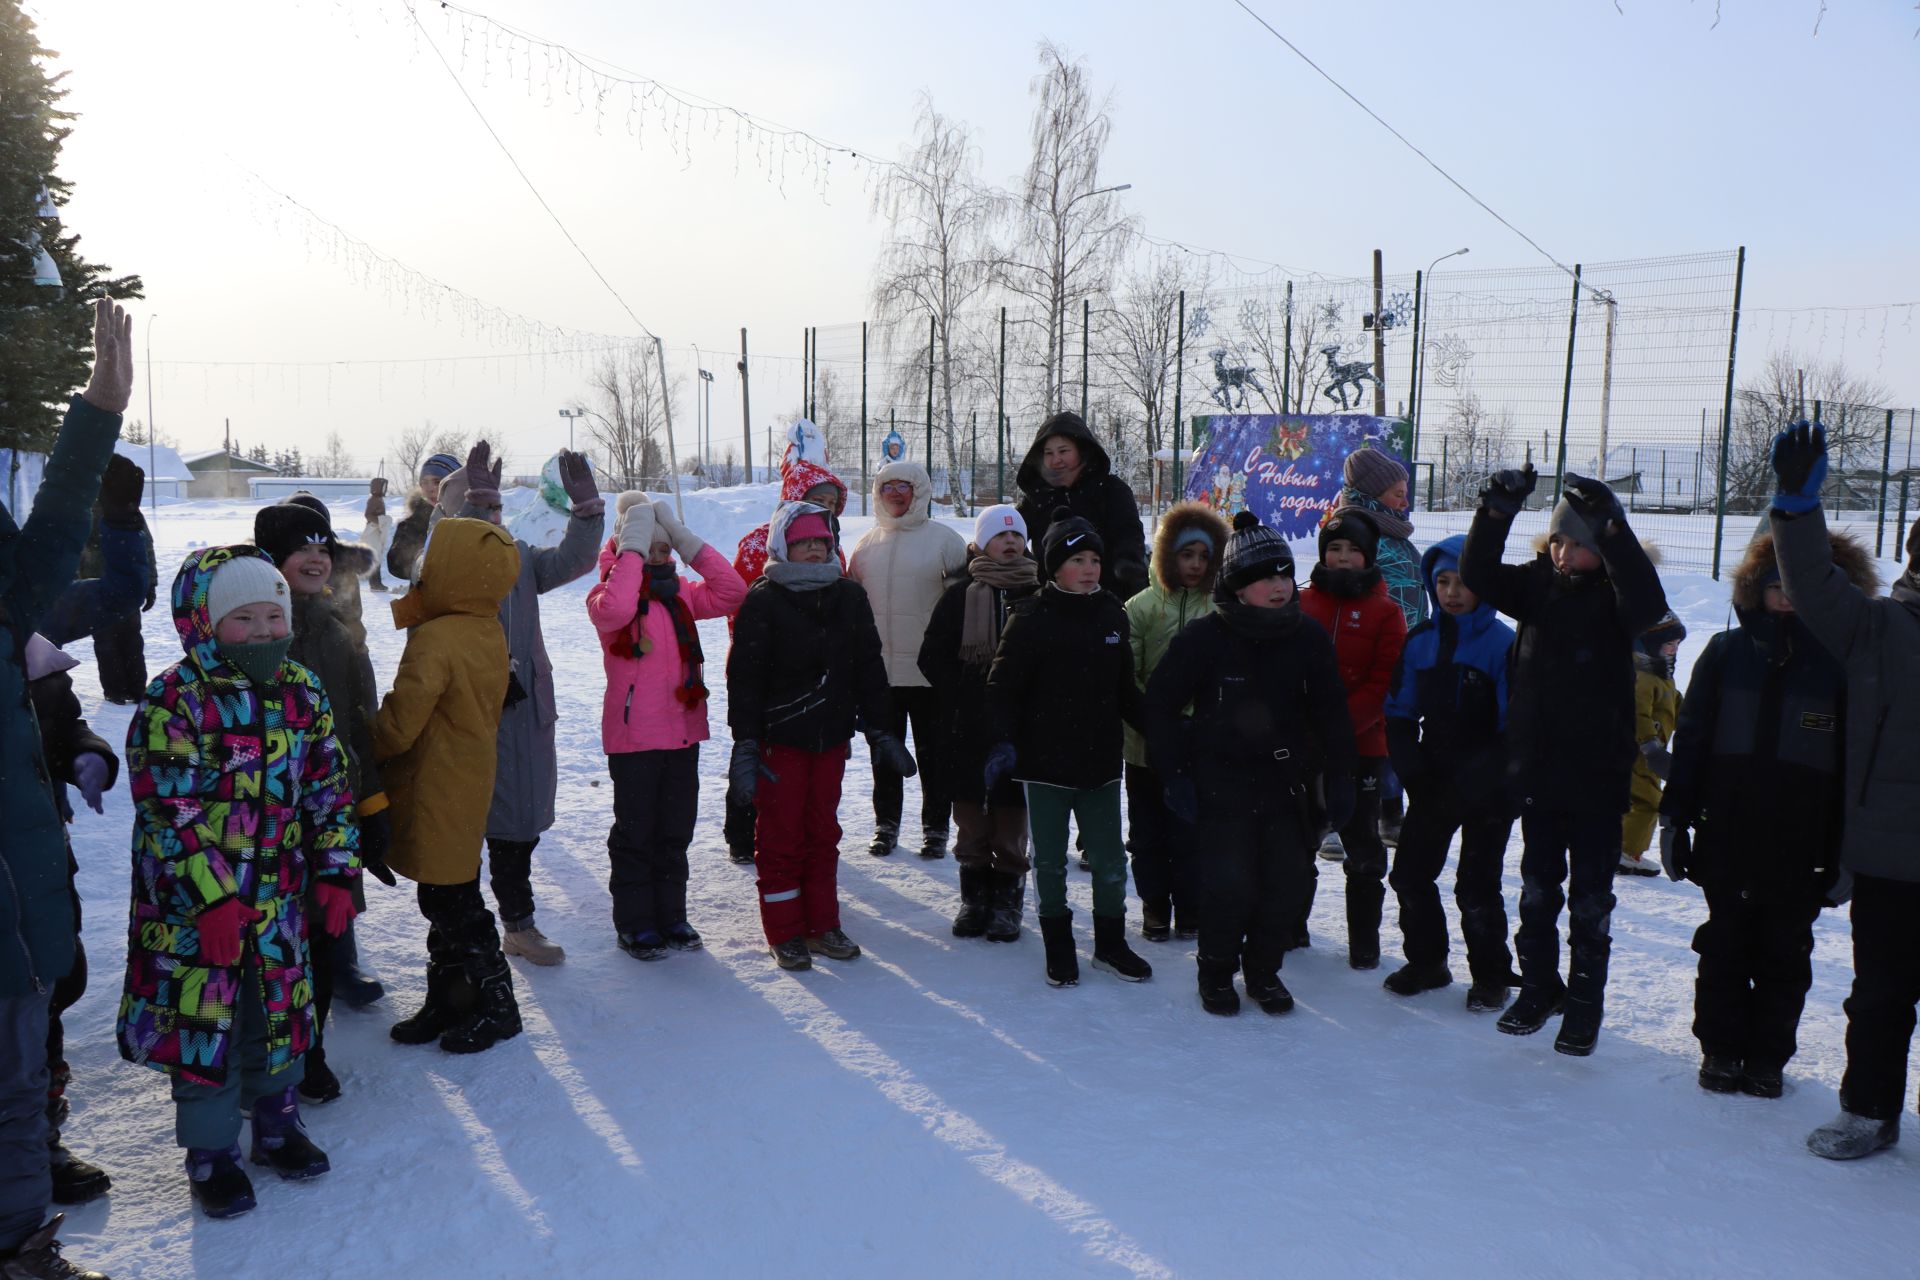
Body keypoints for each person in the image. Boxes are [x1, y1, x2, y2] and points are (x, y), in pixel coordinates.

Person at [119, 546, 363, 1220]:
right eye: (243, 618)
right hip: (197, 913)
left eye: (272, 615)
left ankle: (278, 1125)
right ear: (204, 622)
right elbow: (172, 808)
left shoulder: (301, 691)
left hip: (278, 902)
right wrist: (213, 898)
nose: (262, 631)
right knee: (207, 1028)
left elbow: (328, 791)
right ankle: (212, 1152)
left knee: (280, 1019)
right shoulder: (175, 698)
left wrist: (339, 870)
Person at [0, 297, 125, 1279]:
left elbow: (41, 562)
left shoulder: (16, 636)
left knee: (20, 1071)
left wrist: (97, 412)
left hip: (24, 893)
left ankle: (24, 1232)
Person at [1460, 467, 1666, 1056]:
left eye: (1579, 543)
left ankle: (1584, 1005)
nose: (1564, 551)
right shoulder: (1536, 585)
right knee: (1537, 892)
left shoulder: (1618, 598)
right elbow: (1477, 574)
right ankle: (1540, 989)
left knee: (1590, 901)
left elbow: (1649, 604)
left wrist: (1613, 530)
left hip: (1597, 777)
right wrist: (1495, 515)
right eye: (1558, 540)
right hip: (1539, 771)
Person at [1662, 523, 1870, 1102]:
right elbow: (1693, 741)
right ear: (1757, 588)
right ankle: (1721, 1049)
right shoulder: (1727, 654)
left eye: (1805, 586)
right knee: (1724, 946)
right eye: (1779, 585)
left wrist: (1847, 849)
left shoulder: (1841, 667)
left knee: (1785, 954)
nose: (1789, 597)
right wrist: (1675, 819)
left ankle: (1767, 1058)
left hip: (1803, 846)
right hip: (1728, 835)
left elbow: (1856, 767)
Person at [1766, 422, 1920, 1160]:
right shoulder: (1880, 629)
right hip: (1893, 853)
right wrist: (1796, 508)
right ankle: (1868, 1111)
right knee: (1882, 995)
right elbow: (1814, 586)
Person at [1145, 512, 1355, 1015]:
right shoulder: (1205, 638)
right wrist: (1173, 772)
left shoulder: (1306, 638)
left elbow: (1331, 711)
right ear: (1238, 588)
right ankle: (1216, 971)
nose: (1279, 586)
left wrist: (1343, 776)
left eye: (1284, 574)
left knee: (1284, 884)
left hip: (1287, 784)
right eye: (1264, 577)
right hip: (1221, 782)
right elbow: (1160, 704)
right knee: (1229, 885)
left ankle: (1263, 973)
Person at [253, 497, 397, 1103]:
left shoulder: (337, 632)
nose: (315, 557)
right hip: (265, 816)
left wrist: (371, 804)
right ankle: (268, 1053)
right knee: (273, 942)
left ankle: (308, 1049)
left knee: (322, 923)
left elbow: (358, 725)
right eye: (301, 548)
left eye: (322, 547)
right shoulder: (253, 627)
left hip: (330, 806)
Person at [440, 444, 605, 967]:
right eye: (477, 508)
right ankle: (464, 934)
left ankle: (519, 926)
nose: (491, 518)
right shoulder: (443, 558)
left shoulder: (519, 558)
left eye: (494, 508)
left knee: (518, 828)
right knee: (463, 829)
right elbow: (453, 556)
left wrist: (586, 513)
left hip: (523, 710)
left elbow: (575, 560)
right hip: (468, 711)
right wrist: (475, 504)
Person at [726, 502, 907, 970]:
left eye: (820, 541)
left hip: (830, 739)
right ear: (784, 545)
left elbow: (869, 666)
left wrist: (881, 728)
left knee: (823, 832)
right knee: (782, 834)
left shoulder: (849, 597)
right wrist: (745, 743)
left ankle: (823, 924)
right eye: (803, 541)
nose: (812, 549)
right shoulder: (763, 599)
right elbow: (744, 679)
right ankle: (785, 930)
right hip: (779, 741)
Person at [376, 516, 524, 1055]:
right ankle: (451, 996)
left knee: (451, 899)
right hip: (467, 779)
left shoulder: (437, 637)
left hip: (436, 783)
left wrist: (364, 745)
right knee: (445, 893)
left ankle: (497, 1004)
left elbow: (401, 721)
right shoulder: (488, 626)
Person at [984, 517, 1152, 988]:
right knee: (1051, 861)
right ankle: (1058, 944)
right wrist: (1002, 741)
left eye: (1095, 559)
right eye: (1077, 559)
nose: (1089, 568)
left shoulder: (1112, 613)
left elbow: (1125, 691)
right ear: (1055, 567)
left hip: (1100, 762)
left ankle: (1110, 944)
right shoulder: (1031, 616)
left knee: (1109, 858)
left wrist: (1162, 731)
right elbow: (1002, 688)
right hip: (1045, 766)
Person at [587, 493, 747, 960]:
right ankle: (636, 923)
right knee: (636, 833)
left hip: (682, 734)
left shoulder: (682, 596)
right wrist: (632, 547)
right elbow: (617, 609)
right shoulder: (605, 598)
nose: (658, 557)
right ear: (625, 551)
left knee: (675, 831)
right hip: (634, 740)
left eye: (663, 550)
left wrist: (683, 538)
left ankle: (671, 915)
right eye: (647, 549)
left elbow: (733, 591)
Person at [1382, 535, 1519, 1010]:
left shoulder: (1505, 645)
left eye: (1464, 582)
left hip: (1489, 787)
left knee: (1477, 885)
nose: (1452, 592)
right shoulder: (1421, 642)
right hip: (1434, 780)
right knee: (1410, 875)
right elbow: (1398, 715)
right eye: (1442, 581)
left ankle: (1490, 975)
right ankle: (1428, 962)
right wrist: (1413, 772)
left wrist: (1483, 781)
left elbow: (1513, 728)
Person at [23, 636, 117, 1209]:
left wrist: (88, 755)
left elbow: (65, 726)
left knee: (47, 995)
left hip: (37, 866)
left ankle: (39, 1141)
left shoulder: (27, 653)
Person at [919, 505, 1042, 941]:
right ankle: (974, 899)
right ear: (982, 543)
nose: (1009, 542)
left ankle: (1007, 901)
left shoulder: (1038, 597)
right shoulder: (960, 595)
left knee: (1011, 820)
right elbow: (931, 656)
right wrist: (966, 695)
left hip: (1021, 729)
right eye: (999, 536)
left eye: (1016, 536)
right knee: (970, 818)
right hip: (967, 728)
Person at [1297, 509, 1407, 967]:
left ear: (1369, 557)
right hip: (1305, 747)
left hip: (1363, 748)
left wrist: (1341, 726)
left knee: (1363, 847)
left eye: (1353, 551)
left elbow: (1385, 681)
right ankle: (1290, 928)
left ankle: (1364, 942)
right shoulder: (1301, 604)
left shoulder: (1387, 612)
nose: (1342, 558)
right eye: (1334, 549)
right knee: (1299, 839)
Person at [726, 456, 849, 864]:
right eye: (819, 499)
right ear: (796, 498)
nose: (827, 508)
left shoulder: (832, 548)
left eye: (833, 501)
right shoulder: (758, 543)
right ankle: (744, 832)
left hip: (819, 674)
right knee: (755, 748)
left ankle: (808, 828)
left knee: (810, 759)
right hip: (766, 666)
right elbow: (741, 605)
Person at [848, 459, 968, 859]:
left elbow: (963, 607)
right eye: (887, 486)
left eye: (905, 486)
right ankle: (886, 825)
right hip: (880, 674)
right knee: (884, 754)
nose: (896, 493)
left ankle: (935, 828)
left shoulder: (945, 541)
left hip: (931, 674)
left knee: (937, 756)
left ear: (920, 491)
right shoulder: (865, 546)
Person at [1122, 499, 1230, 941]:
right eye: (1186, 554)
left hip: (1199, 745)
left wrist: (1199, 724)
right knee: (1147, 833)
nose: (1195, 564)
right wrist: (1157, 724)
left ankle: (1189, 907)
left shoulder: (1219, 608)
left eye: (1205, 556)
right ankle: (1153, 905)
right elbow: (1127, 674)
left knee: (1191, 831)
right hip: (1145, 744)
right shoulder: (1142, 607)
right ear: (1168, 555)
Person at [1014, 410, 1148, 598]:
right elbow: (1011, 533)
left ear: (1082, 451)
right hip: (1051, 599)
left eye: (1063, 451)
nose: (1055, 460)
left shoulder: (1111, 490)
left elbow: (1129, 532)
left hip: (1106, 595)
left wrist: (1127, 562)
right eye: (1048, 453)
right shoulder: (1037, 497)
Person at [76, 453, 158, 705]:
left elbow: (146, 545)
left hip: (117, 586)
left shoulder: (121, 509)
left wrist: (150, 583)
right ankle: (119, 690)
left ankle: (130, 688)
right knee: (112, 639)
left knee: (123, 638)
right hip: (103, 586)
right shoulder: (86, 507)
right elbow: (76, 550)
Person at [1619, 612, 1685, 877]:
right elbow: (1638, 713)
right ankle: (1626, 852)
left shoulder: (1663, 677)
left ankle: (1623, 848)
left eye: (1677, 644)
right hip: (1641, 752)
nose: (1673, 649)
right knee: (1647, 801)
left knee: (1639, 799)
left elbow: (1678, 708)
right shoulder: (1643, 677)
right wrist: (1649, 745)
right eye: (1668, 643)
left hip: (1651, 752)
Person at [384, 450, 462, 585]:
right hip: (427, 600)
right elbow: (396, 566)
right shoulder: (414, 522)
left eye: (437, 481)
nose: (429, 488)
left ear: (454, 486)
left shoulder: (471, 519)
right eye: (424, 482)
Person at [362, 476, 393, 593]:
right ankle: (375, 583)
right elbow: (368, 515)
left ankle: (376, 582)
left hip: (376, 530)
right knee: (375, 557)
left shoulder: (378, 499)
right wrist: (381, 520)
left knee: (377, 557)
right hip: (372, 531)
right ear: (377, 487)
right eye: (383, 487)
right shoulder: (373, 500)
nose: (385, 489)